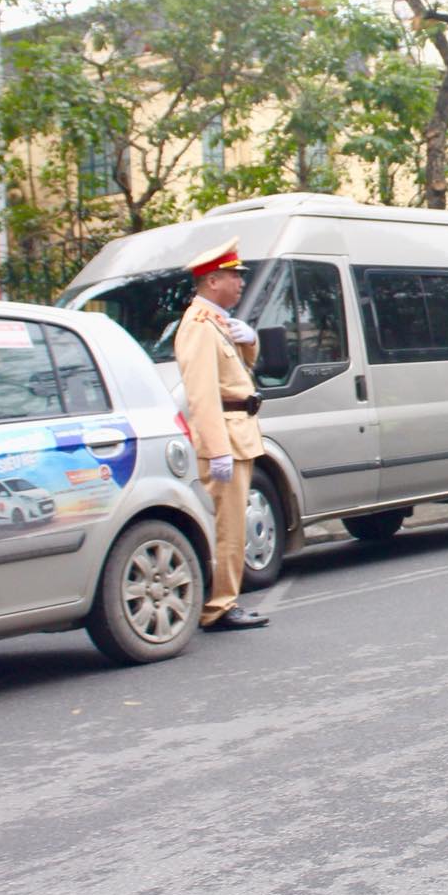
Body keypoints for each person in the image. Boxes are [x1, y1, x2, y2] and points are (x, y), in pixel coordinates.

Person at [174, 238, 269, 632]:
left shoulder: (215, 322)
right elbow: (202, 392)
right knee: (228, 526)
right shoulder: (198, 325)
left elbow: (236, 374)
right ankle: (220, 605)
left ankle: (224, 600)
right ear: (213, 281)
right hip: (225, 436)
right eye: (235, 276)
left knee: (232, 524)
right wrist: (216, 450)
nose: (241, 283)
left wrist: (251, 342)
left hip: (238, 432)